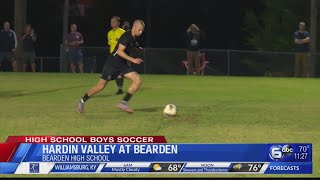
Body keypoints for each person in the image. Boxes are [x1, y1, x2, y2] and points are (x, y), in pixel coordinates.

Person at [77, 19, 145, 113]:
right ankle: (82, 101)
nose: (141, 32)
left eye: (142, 30)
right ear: (134, 27)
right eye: (139, 30)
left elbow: (134, 44)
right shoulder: (126, 36)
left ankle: (123, 103)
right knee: (100, 87)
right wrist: (133, 59)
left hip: (122, 65)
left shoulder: (133, 38)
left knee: (137, 79)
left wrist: (139, 49)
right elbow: (120, 51)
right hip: (112, 63)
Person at [108, 16, 126, 95]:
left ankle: (120, 89)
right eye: (111, 21)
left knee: (116, 72)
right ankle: (120, 89)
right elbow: (110, 43)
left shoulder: (122, 32)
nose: (112, 23)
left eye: (114, 21)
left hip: (120, 55)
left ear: (118, 23)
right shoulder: (109, 33)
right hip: (112, 55)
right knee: (116, 73)